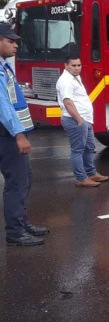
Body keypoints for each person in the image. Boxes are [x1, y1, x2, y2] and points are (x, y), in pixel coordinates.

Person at [0, 23, 48, 246]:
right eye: (10, 41)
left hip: (10, 134)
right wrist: (19, 134)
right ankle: (16, 232)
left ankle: (21, 222)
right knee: (17, 184)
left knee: (24, 180)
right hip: (7, 135)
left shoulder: (4, 66)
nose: (16, 45)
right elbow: (3, 105)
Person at [56, 56, 109, 187]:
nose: (77, 68)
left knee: (90, 147)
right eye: (74, 65)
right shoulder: (66, 81)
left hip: (85, 119)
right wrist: (79, 120)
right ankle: (81, 178)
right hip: (75, 120)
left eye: (79, 65)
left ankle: (91, 173)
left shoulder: (75, 77)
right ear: (66, 66)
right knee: (78, 150)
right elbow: (67, 102)